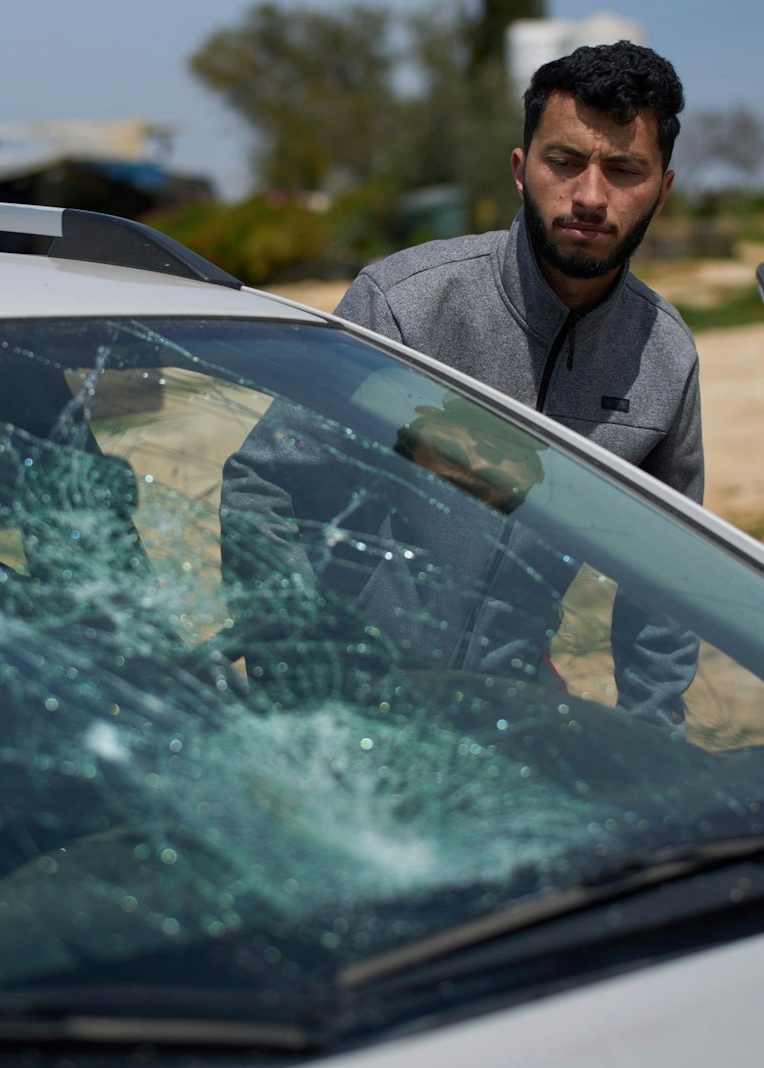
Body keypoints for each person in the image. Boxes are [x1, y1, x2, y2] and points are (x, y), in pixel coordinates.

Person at [220, 42, 701, 729]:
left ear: (664, 188)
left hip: (508, 715)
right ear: (520, 168)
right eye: (564, 162)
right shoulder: (404, 306)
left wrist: (658, 752)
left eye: (624, 170)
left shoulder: (666, 358)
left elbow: (669, 584)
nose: (590, 196)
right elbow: (266, 486)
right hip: (347, 706)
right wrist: (298, 689)